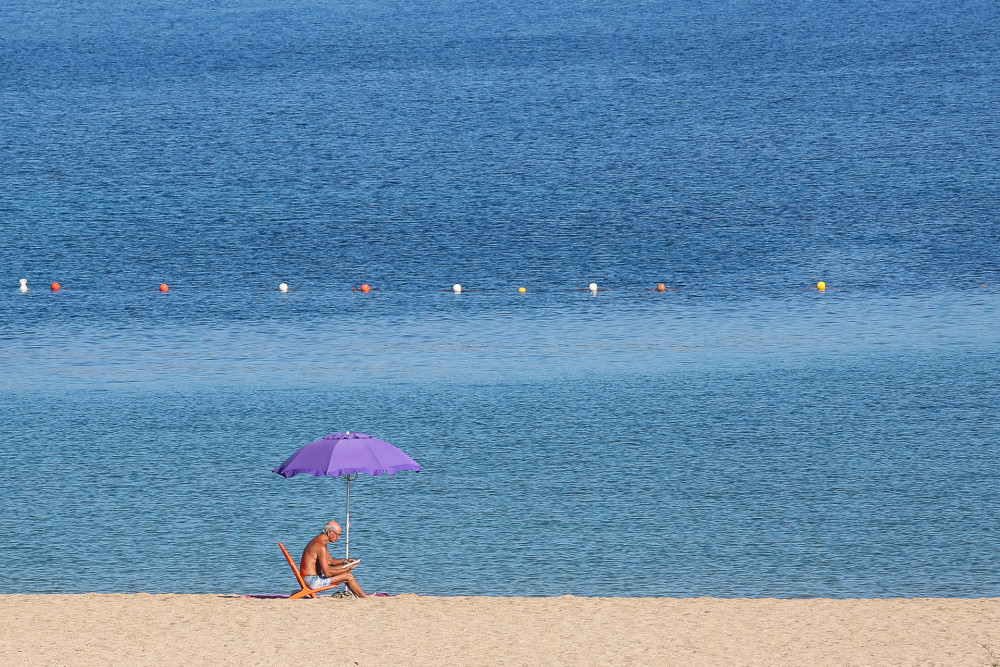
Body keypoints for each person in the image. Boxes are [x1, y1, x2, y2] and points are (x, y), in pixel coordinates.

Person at [299, 520, 369, 598]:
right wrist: (347, 569)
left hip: (308, 579)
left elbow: (329, 561)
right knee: (348, 576)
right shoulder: (320, 546)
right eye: (337, 535)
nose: (339, 538)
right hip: (312, 582)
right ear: (329, 533)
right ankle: (364, 597)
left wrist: (345, 561)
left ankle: (358, 595)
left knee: (343, 568)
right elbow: (327, 573)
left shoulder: (318, 541)